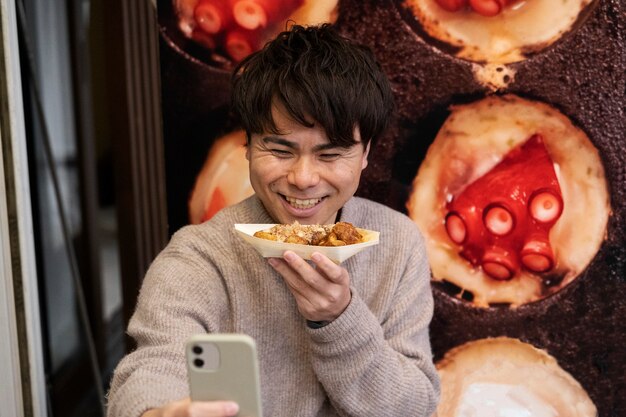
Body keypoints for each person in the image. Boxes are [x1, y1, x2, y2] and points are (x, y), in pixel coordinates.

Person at [106, 23, 440, 417]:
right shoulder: (201, 256)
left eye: (330, 155)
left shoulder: (397, 243)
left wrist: (338, 318)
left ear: (365, 152)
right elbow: (152, 368)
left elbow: (415, 406)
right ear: (247, 144)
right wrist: (162, 412)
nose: (303, 178)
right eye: (280, 150)